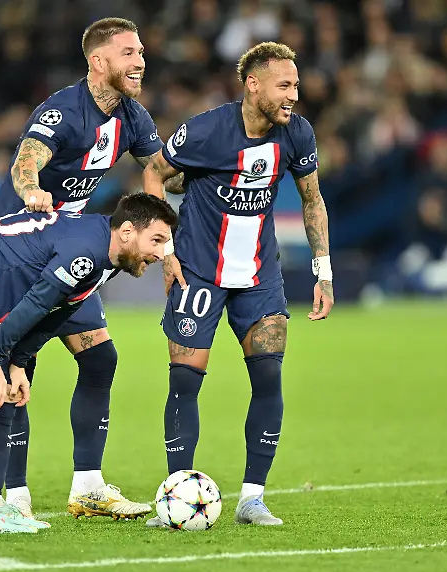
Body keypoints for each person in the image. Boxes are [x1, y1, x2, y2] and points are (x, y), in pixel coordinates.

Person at [0, 17, 184, 520]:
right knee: (17, 365)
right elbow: (26, 161)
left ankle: (88, 487)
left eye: (141, 52)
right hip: (17, 254)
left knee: (99, 359)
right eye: (128, 53)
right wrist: (32, 190)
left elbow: (162, 171)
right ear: (98, 61)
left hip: (71, 252)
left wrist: (219, 164)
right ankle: (15, 496)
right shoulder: (63, 111)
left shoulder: (133, 116)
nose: (140, 61)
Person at [0, 193, 177, 533]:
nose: (161, 253)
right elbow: (35, 303)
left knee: (0, 389)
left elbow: (57, 312)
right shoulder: (85, 252)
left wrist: (18, 361)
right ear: (126, 231)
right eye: (156, 240)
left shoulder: (106, 255)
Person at [142, 42, 334, 527]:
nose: (294, 95)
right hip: (198, 271)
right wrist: (165, 250)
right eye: (284, 85)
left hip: (259, 276)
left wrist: (324, 271)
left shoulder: (297, 133)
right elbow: (155, 173)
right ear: (253, 84)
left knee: (268, 378)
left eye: (296, 85)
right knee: (185, 382)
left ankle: (252, 499)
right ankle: (177, 495)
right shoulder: (206, 130)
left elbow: (312, 200)